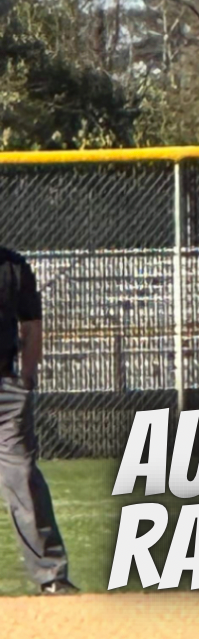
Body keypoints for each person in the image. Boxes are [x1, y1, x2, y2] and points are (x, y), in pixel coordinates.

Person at [0, 247, 75, 595]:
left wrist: (25, 381)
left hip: (6, 391)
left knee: (24, 477)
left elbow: (31, 326)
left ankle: (52, 578)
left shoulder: (13, 267)